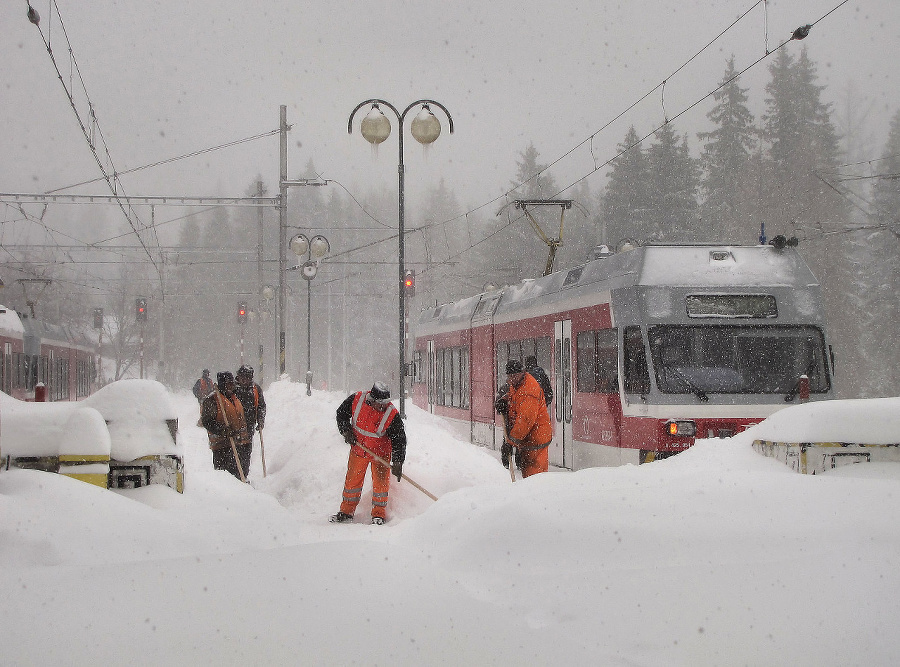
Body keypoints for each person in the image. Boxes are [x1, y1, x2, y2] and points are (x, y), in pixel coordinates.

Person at [330, 381, 406, 525]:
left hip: (381, 454)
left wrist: (397, 461)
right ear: (372, 399)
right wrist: (346, 430)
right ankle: (346, 512)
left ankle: (378, 515)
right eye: (380, 403)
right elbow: (341, 414)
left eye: (385, 402)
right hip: (359, 450)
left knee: (381, 486)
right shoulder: (356, 400)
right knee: (352, 483)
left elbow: (399, 439)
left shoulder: (391, 413)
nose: (383, 406)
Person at [500, 359, 552, 478]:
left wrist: (511, 442)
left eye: (514, 376)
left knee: (534, 478)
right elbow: (515, 397)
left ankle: (535, 496)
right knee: (528, 475)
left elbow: (525, 421)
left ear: (521, 373)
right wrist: (504, 400)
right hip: (528, 440)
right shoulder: (517, 384)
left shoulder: (529, 391)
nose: (511, 379)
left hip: (536, 439)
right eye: (509, 376)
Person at [200, 371, 251, 480]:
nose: (231, 386)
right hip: (222, 448)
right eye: (228, 384)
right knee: (226, 477)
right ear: (222, 384)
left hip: (239, 444)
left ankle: (243, 491)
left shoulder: (234, 397)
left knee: (240, 472)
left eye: (232, 383)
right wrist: (222, 430)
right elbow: (207, 421)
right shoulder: (212, 400)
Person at [234, 365, 266, 447]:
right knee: (234, 453)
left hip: (249, 426)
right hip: (234, 427)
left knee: (246, 453)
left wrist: (261, 420)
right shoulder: (232, 389)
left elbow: (261, 406)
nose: (244, 380)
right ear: (238, 376)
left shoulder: (255, 389)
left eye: (247, 377)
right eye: (242, 377)